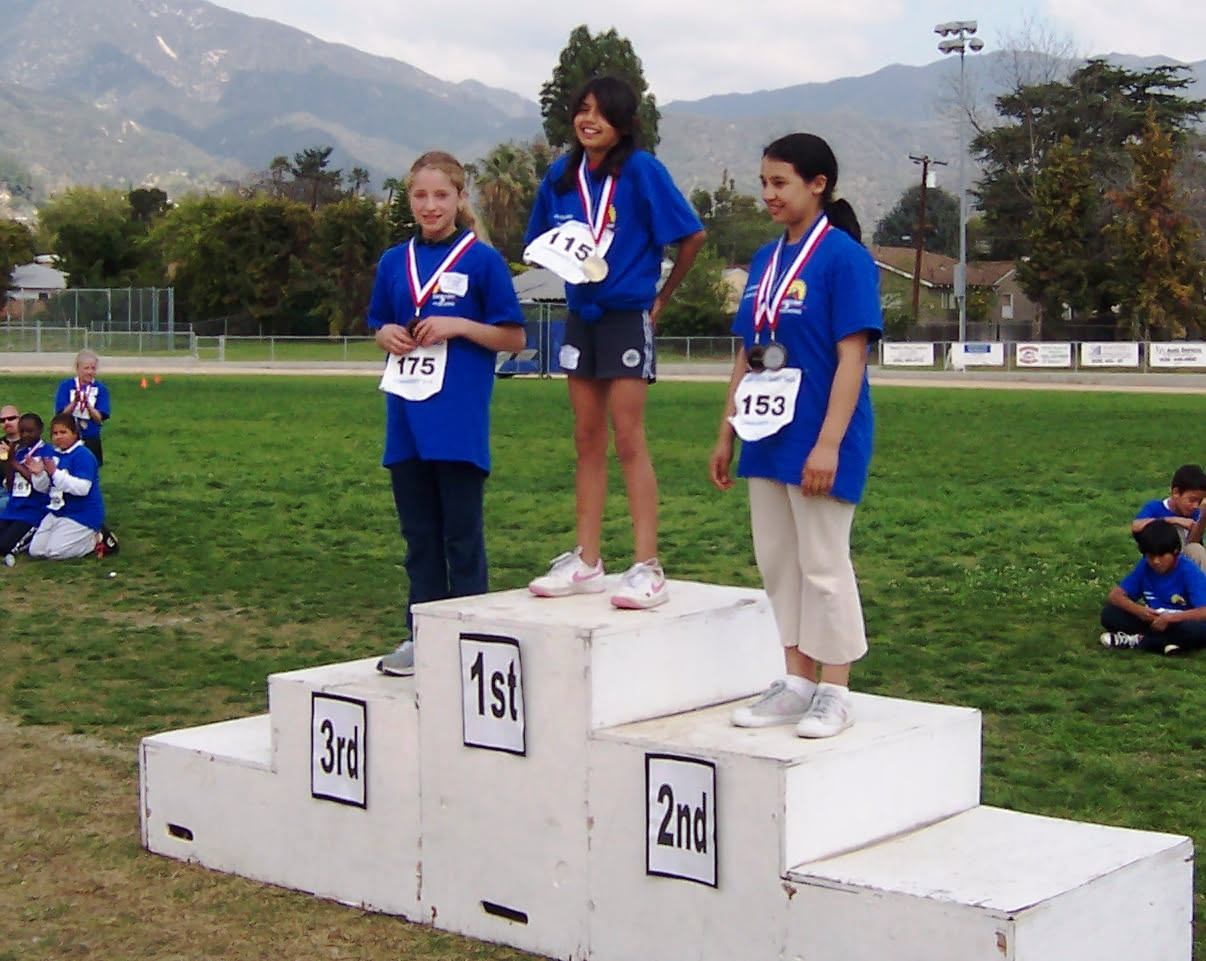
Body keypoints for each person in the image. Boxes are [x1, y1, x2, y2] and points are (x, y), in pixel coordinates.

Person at [710, 132, 882, 739]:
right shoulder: (764, 260)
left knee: (823, 564)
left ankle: (835, 689)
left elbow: (852, 357)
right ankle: (796, 681)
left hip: (820, 436)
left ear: (818, 185)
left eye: (780, 182)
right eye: (764, 182)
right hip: (765, 433)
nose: (769, 193)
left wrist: (828, 443)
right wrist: (727, 430)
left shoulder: (844, 258)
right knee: (779, 563)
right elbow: (750, 353)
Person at [524, 75, 706, 610]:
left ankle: (647, 565)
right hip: (581, 316)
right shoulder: (561, 175)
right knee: (586, 437)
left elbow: (691, 234)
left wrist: (662, 297)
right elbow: (537, 241)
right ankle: (587, 560)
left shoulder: (642, 170)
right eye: (582, 109)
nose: (589, 120)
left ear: (624, 123)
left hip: (627, 316)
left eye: (602, 112)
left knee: (628, 437)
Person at [368, 151, 526, 676]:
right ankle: (423, 637)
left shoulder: (482, 262)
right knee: (419, 540)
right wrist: (385, 335)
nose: (430, 205)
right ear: (409, 200)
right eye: (420, 195)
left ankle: (472, 639)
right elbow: (379, 323)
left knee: (461, 537)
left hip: (456, 423)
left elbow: (513, 337)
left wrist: (457, 326)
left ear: (460, 198)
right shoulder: (394, 262)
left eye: (441, 195)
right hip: (406, 422)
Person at [1100, 519, 1206, 655]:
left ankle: (1140, 641)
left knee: (1195, 630)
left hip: (1180, 622)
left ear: (1175, 551)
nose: (1156, 561)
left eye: (1161, 556)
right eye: (1151, 556)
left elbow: (1203, 611)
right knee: (1110, 614)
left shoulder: (1189, 571)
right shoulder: (1144, 566)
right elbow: (1115, 596)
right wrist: (1140, 611)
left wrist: (1171, 618)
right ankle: (1167, 644)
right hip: (1153, 620)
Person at [28, 414, 104, 560]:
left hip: (81, 513)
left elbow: (82, 489)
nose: (59, 437)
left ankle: (95, 539)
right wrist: (38, 475)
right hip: (58, 510)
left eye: (63, 432)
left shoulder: (83, 455)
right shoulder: (53, 454)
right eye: (55, 433)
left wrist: (55, 473)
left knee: (55, 553)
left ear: (74, 434)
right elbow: (43, 488)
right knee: (36, 551)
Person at [1131, 464, 1206, 569]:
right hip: (1159, 563)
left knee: (1197, 549)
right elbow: (1136, 526)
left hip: (1183, 564)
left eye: (1199, 501)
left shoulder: (1195, 513)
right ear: (1176, 492)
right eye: (1192, 500)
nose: (1195, 506)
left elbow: (1192, 545)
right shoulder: (1155, 507)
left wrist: (1202, 518)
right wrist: (1173, 520)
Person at [0, 412, 51, 565]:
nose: (25, 435)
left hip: (33, 510)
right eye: (22, 431)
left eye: (30, 431)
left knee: (4, 546)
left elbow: (41, 485)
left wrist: (15, 464)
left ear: (40, 430)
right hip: (13, 508)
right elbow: (10, 486)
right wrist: (9, 463)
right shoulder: (19, 452)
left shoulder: (47, 452)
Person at [54, 350, 111, 467]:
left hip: (91, 436)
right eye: (86, 368)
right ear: (77, 368)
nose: (90, 372)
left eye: (93, 368)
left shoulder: (101, 388)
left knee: (91, 467)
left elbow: (99, 419)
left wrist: (88, 406)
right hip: (69, 436)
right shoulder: (66, 386)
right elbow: (61, 416)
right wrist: (74, 402)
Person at [0, 404, 21, 514]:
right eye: (2, 420)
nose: (7, 422)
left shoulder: (29, 442)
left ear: (20, 419)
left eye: (11, 418)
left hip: (17, 491)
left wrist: (11, 458)